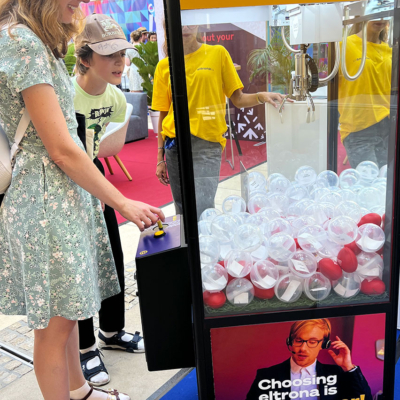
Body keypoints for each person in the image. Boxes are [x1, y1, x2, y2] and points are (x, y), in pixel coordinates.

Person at [0, 1, 164, 400]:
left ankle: (80, 390)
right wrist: (123, 202)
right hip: (46, 197)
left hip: (57, 192)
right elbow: (60, 148)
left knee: (68, 311)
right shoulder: (22, 41)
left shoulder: (32, 39)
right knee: (54, 328)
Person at [73, 14, 145, 387]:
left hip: (94, 173)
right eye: (109, 54)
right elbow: (62, 153)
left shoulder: (116, 96)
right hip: (67, 181)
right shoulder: (64, 92)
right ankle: (85, 348)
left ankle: (112, 331)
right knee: (81, 266)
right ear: (85, 59)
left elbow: (103, 147)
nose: (120, 61)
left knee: (112, 256)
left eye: (122, 53)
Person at [152, 24, 285, 219]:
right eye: (180, 23)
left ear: (198, 24)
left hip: (207, 143)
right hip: (174, 144)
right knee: (181, 209)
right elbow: (164, 113)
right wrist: (159, 158)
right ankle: (187, 240)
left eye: (190, 21)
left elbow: (238, 98)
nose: (185, 27)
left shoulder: (217, 53)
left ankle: (204, 239)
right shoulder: (164, 66)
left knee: (203, 208)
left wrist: (261, 96)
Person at [246, 319, 372, 400]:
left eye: (312, 342)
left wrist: (348, 367)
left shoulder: (337, 374)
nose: (303, 349)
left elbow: (364, 398)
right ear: (290, 342)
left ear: (323, 344)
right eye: (298, 340)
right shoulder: (266, 375)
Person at [339, 19, 392, 169]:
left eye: (383, 14)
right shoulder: (345, 46)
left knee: (385, 179)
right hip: (358, 127)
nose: (380, 19)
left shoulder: (389, 50)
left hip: (387, 126)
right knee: (368, 180)